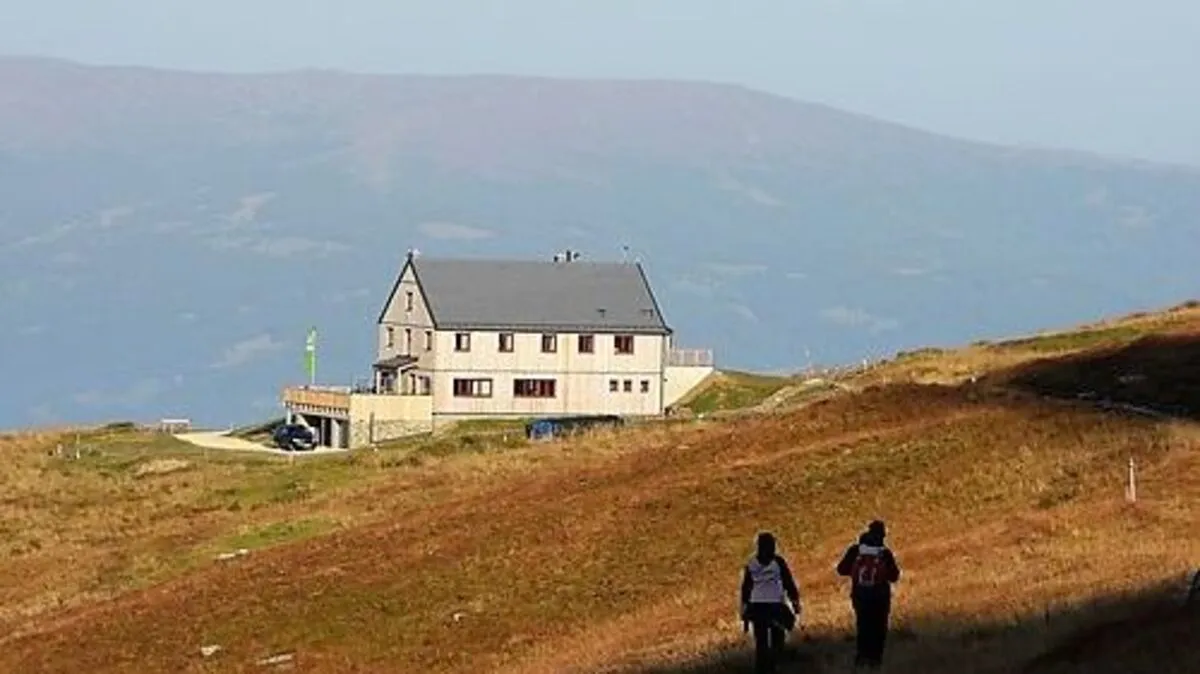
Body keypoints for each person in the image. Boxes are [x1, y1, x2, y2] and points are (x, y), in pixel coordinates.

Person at [836, 520, 901, 669]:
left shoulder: (855, 550)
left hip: (860, 596)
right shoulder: (884, 553)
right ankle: (875, 661)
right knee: (879, 628)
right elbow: (894, 576)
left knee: (863, 626)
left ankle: (861, 659)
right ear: (883, 535)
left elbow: (841, 569)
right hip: (880, 597)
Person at [740, 531, 801, 674]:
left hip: (757, 607)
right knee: (777, 640)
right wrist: (795, 600)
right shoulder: (778, 562)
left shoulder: (751, 564)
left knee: (761, 644)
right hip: (775, 606)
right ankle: (775, 666)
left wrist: (744, 608)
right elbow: (788, 582)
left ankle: (762, 669)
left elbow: (746, 588)